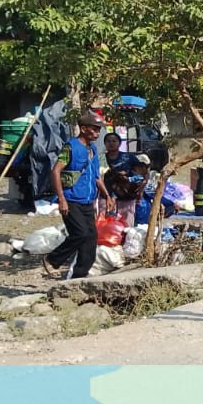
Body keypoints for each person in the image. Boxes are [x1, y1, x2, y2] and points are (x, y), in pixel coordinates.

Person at [43, 112, 113, 279]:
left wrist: (107, 196)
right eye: (94, 129)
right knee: (79, 233)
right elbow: (55, 171)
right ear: (83, 129)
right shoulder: (71, 147)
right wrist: (61, 199)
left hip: (88, 200)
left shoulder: (93, 149)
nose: (97, 133)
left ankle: (79, 277)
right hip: (71, 199)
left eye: (98, 130)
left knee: (91, 240)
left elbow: (96, 176)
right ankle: (52, 259)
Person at [104, 153, 150, 227]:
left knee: (126, 222)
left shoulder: (138, 176)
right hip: (116, 197)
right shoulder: (128, 172)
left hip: (127, 199)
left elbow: (139, 184)